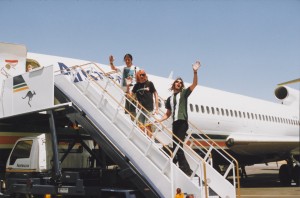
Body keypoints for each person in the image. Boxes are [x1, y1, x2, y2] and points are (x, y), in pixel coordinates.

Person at [157, 60, 201, 176]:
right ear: (174, 85)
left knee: (178, 146)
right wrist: (159, 120)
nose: (178, 83)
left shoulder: (184, 93)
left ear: (182, 85)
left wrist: (195, 72)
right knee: (176, 146)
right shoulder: (169, 99)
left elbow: (194, 84)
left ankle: (186, 170)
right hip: (174, 123)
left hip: (182, 122)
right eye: (177, 82)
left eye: (180, 82)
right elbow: (168, 113)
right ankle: (178, 165)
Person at [128, 70, 159, 137]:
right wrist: (128, 85)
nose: (142, 76)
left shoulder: (149, 83)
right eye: (140, 75)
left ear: (145, 75)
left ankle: (149, 140)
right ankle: (142, 140)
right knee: (141, 126)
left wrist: (157, 108)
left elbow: (155, 94)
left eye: (143, 74)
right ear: (137, 76)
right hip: (140, 109)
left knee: (148, 126)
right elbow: (131, 96)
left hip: (149, 108)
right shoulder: (136, 86)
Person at [109, 54, 139, 120]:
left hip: (132, 90)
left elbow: (137, 79)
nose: (127, 61)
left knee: (131, 108)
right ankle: (133, 121)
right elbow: (113, 68)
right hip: (126, 91)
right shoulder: (123, 68)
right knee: (128, 110)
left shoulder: (135, 68)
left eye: (129, 59)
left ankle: (135, 123)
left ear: (131, 60)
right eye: (126, 60)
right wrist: (111, 62)